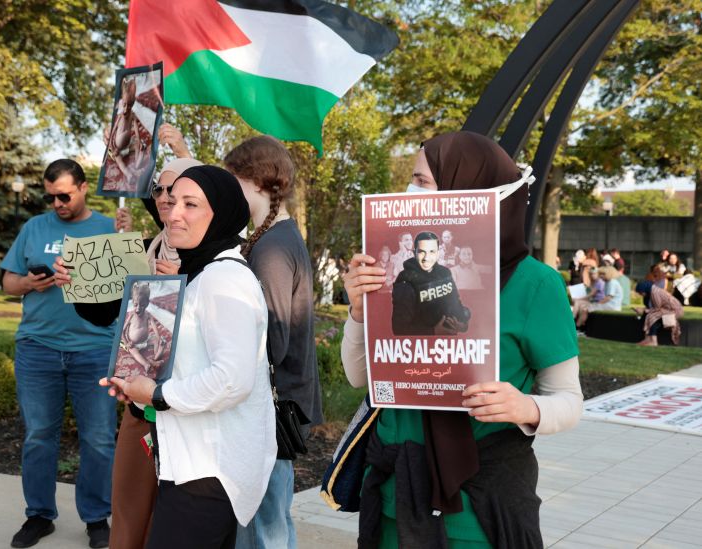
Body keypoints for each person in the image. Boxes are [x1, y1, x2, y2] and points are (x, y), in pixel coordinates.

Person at [341, 131, 582, 547]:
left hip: (478, 510)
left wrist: (524, 407)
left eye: (423, 181)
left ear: (467, 189)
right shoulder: (395, 271)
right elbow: (359, 377)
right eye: (411, 180)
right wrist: (359, 313)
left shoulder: (535, 284)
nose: (409, 192)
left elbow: (568, 400)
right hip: (393, 498)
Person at [101, 165, 277, 548]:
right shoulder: (203, 274)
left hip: (208, 471)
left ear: (223, 214)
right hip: (191, 462)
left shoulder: (224, 280)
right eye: (171, 199)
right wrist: (137, 386)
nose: (173, 211)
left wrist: (158, 395)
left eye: (190, 204)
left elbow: (232, 380)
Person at [55, 154, 201, 549]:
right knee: (129, 511)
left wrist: (186, 288)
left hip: (188, 415)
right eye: (160, 190)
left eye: (179, 192)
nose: (166, 198)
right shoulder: (148, 247)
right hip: (140, 406)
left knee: (170, 523)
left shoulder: (216, 258)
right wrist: (78, 284)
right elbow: (108, 313)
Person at [1, 158, 131, 549]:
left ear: (83, 187)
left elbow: (134, 281)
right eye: (50, 196)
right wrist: (29, 282)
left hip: (93, 349)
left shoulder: (111, 225)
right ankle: (39, 516)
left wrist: (130, 236)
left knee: (98, 439)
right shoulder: (34, 227)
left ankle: (96, 518)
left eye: (64, 195)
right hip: (38, 349)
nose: (56, 202)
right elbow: (8, 282)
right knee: (39, 436)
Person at [224, 135, 323, 549]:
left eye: (234, 183)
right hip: (280, 400)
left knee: (266, 523)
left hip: (273, 406)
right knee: (266, 517)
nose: (229, 194)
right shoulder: (276, 237)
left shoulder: (271, 249)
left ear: (259, 183)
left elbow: (273, 339)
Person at [391, 231, 470, 336]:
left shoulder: (444, 273)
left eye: (431, 252)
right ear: (415, 252)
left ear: (438, 253)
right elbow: (399, 328)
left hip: (449, 344)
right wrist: (433, 332)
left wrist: (463, 325)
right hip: (420, 347)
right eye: (422, 252)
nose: (426, 257)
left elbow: (456, 304)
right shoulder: (405, 279)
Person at [634, 280, 684, 346]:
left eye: (640, 292)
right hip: (669, 309)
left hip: (675, 310)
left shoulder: (655, 293)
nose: (640, 294)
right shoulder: (653, 291)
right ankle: (648, 339)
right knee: (649, 314)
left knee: (652, 315)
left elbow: (657, 309)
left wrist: (643, 310)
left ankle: (653, 340)